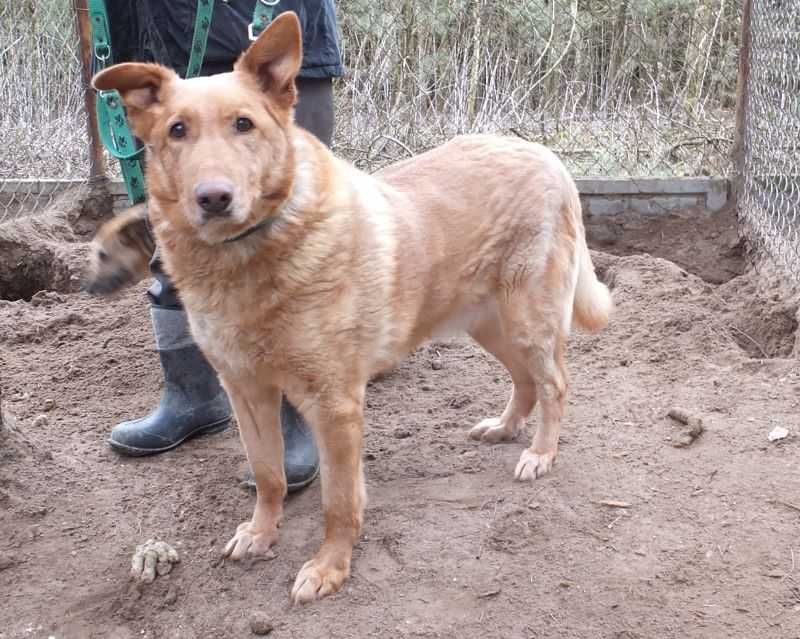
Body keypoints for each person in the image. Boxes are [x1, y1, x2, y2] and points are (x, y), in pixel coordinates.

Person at [102, 0, 345, 492]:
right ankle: (191, 396)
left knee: (294, 248)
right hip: (164, 46)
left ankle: (299, 413)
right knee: (176, 245)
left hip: (268, 42)